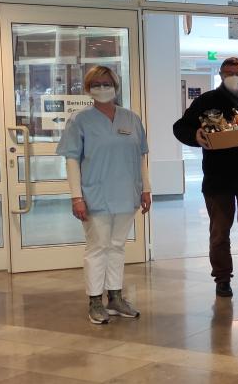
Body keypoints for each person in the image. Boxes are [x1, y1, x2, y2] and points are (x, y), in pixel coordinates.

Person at [173, 57, 238, 298]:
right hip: (218, 179)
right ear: (220, 75)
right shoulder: (206, 101)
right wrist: (196, 136)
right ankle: (222, 278)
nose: (234, 77)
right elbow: (181, 127)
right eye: (229, 73)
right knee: (219, 232)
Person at [57, 66, 150, 324]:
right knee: (97, 247)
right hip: (94, 194)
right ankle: (95, 301)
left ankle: (116, 297)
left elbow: (141, 156)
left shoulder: (131, 119)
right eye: (96, 84)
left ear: (116, 86)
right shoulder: (79, 120)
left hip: (127, 193)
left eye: (106, 83)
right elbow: (72, 160)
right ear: (88, 89)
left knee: (117, 246)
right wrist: (76, 196)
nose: (102, 88)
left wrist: (146, 188)